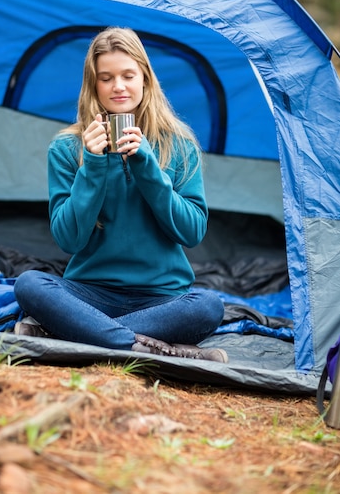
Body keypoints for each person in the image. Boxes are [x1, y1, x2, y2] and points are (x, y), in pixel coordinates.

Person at [14, 27, 227, 362]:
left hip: (162, 297)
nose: (118, 86)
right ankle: (152, 348)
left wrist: (147, 166)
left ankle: (72, 331)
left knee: (209, 306)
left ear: (145, 78)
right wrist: (93, 166)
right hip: (88, 292)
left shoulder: (178, 145)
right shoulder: (68, 147)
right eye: (106, 78)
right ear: (93, 85)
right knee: (29, 284)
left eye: (128, 75)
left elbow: (191, 232)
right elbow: (68, 240)